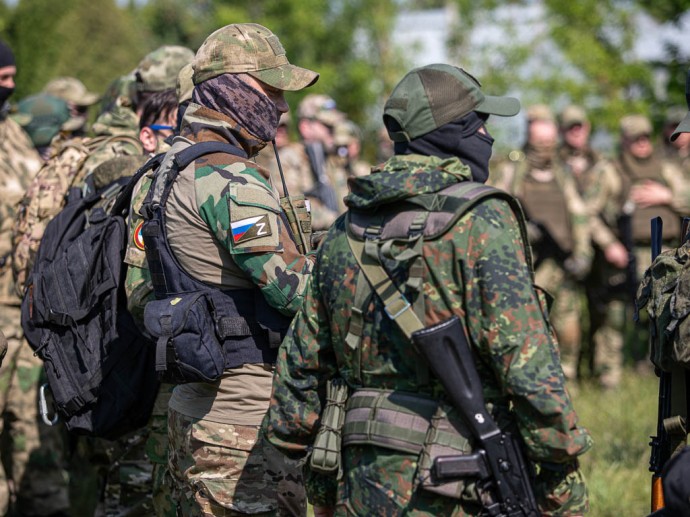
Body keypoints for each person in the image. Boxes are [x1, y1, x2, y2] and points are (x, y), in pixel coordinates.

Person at [262, 63, 592, 516]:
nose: (488, 137)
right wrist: (560, 469)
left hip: (359, 479)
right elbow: (527, 362)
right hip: (459, 480)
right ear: (453, 133)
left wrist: (297, 459)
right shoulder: (479, 222)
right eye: (480, 123)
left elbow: (300, 367)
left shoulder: (344, 230)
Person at [143, 23, 318, 516]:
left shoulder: (165, 168)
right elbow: (293, 292)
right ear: (231, 90)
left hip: (190, 406)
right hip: (242, 419)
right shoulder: (230, 179)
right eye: (272, 91)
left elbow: (141, 291)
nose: (282, 107)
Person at [0, 39, 62, 516]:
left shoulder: (12, 135)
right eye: (3, 78)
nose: (11, 85)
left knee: (29, 428)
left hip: (21, 314)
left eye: (12, 77)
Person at [497, 104, 592, 382]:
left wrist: (583, 253)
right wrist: (522, 230)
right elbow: (499, 210)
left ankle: (568, 377)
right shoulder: (512, 169)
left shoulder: (563, 173)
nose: (545, 148)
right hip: (527, 264)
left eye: (549, 142)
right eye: (539, 143)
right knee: (526, 325)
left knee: (568, 322)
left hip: (562, 261)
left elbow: (578, 213)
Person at [558, 105, 629, 389]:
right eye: (570, 127)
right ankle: (568, 379)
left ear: (587, 128)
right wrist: (608, 241)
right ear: (562, 130)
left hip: (604, 255)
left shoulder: (603, 163)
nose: (576, 132)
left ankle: (606, 376)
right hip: (571, 249)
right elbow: (582, 212)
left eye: (581, 126)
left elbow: (612, 204)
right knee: (567, 314)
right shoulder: (552, 165)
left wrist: (612, 242)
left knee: (608, 313)